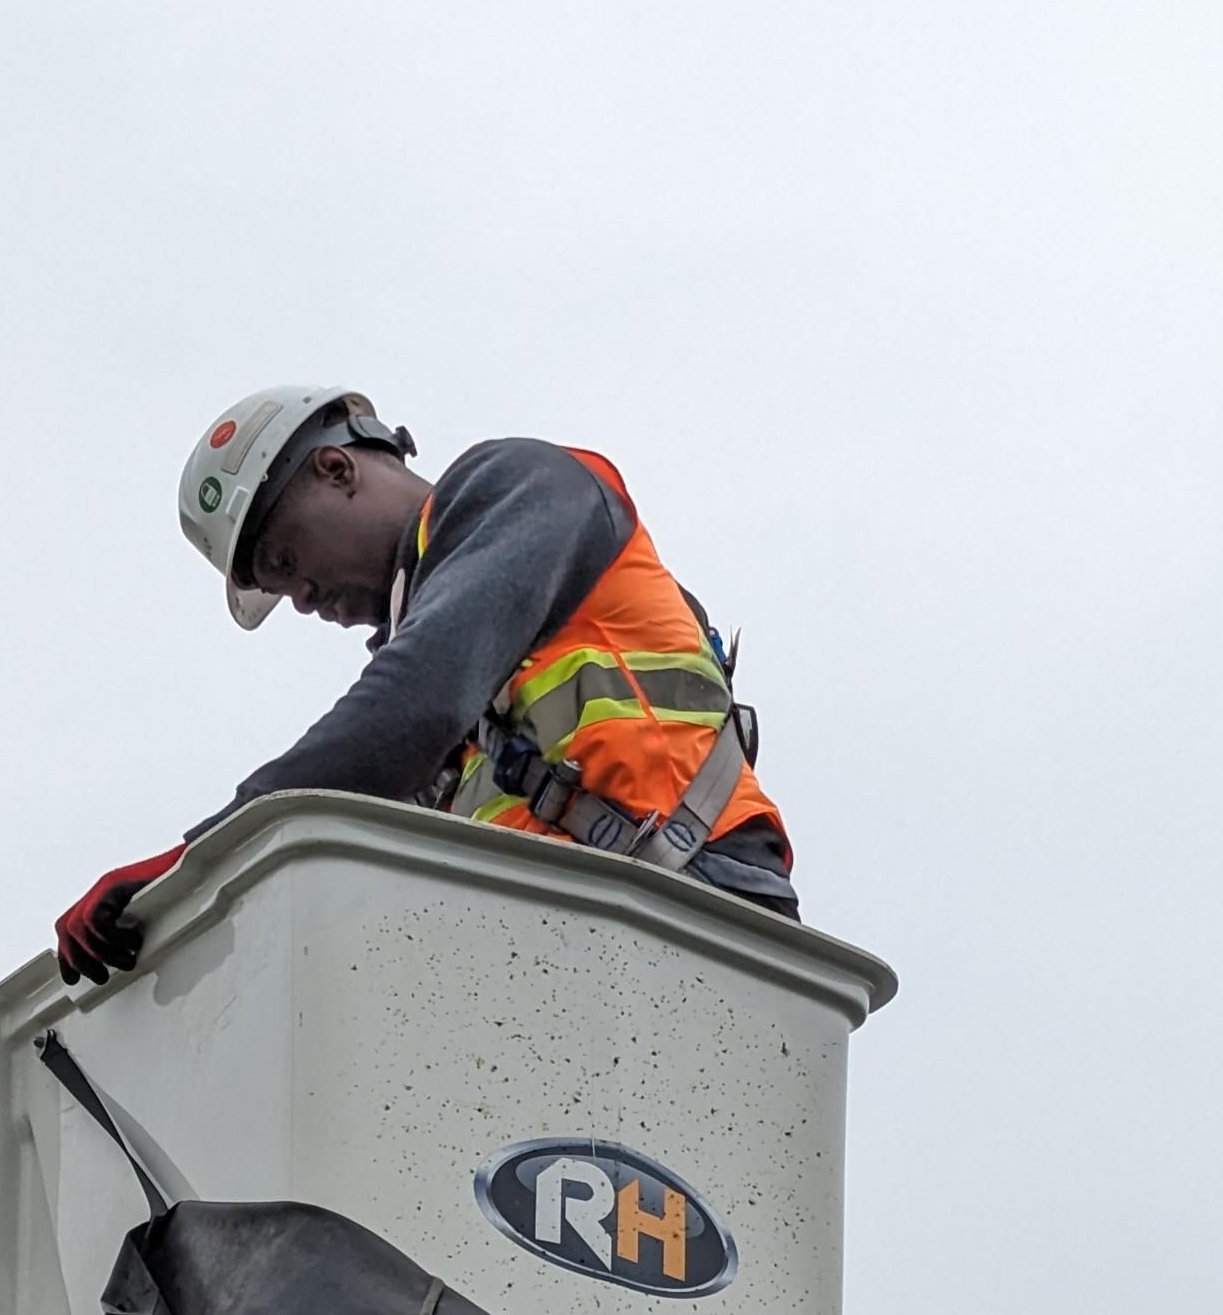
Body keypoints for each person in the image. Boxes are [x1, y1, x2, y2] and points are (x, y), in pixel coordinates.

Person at [55, 384, 798, 986]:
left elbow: (408, 708)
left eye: (286, 560)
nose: (305, 599)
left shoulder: (517, 488)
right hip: (578, 942)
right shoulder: (456, 679)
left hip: (697, 903)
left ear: (337, 471)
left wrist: (199, 856)